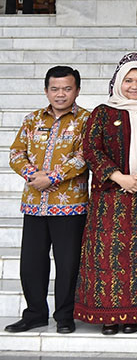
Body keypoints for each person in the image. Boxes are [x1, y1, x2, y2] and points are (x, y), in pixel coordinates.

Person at [75, 61, 137, 334]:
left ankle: (136, 314)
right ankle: (107, 315)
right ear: (119, 82)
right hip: (110, 196)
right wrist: (119, 177)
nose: (134, 86)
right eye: (128, 81)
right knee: (108, 256)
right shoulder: (103, 112)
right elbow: (92, 149)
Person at [6, 66, 90, 335]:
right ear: (46, 90)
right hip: (34, 203)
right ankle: (34, 314)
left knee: (68, 263)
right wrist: (33, 175)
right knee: (32, 262)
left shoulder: (86, 120)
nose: (60, 94)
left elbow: (84, 156)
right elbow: (16, 153)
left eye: (67, 88)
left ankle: (65, 315)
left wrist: (52, 177)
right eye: (55, 89)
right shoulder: (32, 120)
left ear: (77, 90)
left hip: (70, 206)